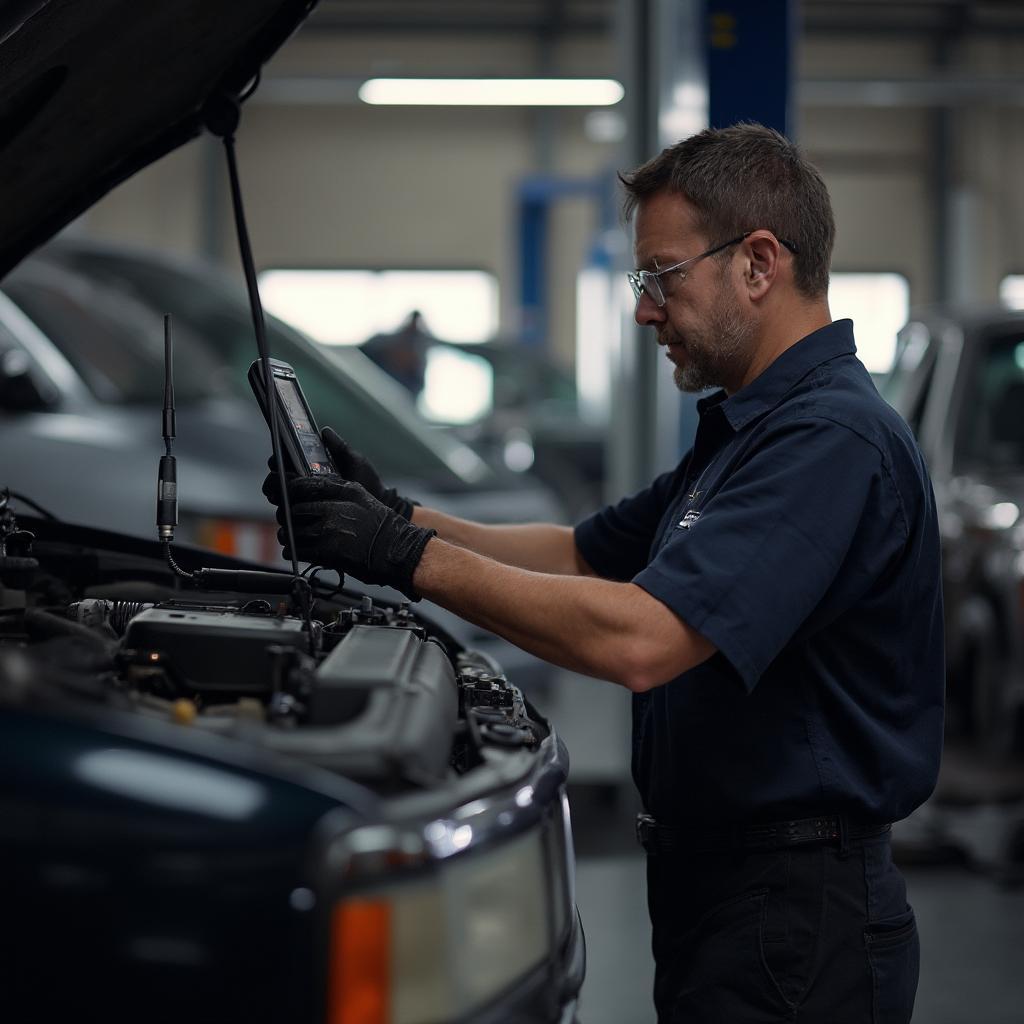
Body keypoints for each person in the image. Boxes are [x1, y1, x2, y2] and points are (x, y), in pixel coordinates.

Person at [263, 123, 944, 1024]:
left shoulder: (829, 442)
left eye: (661, 277)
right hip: (735, 895)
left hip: (799, 915)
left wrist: (404, 560)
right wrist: (394, 515)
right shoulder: (753, 428)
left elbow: (643, 639)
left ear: (758, 262)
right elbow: (582, 551)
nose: (644, 311)